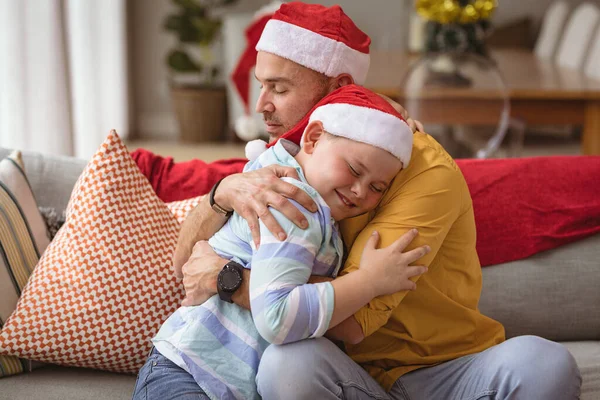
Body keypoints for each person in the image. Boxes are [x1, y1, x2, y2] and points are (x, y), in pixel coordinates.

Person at [165, 2, 581, 399]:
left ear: (339, 90)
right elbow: (182, 268)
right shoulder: (285, 161)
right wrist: (221, 194)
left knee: (545, 363)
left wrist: (229, 279)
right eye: (262, 86)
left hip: (443, 371)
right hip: (348, 376)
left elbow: (353, 321)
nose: (261, 105)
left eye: (280, 88)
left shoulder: (420, 168)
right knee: (287, 364)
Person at [133, 85, 429, 400]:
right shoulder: (296, 205)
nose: (360, 191)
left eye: (377, 187)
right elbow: (276, 317)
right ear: (313, 139)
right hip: (191, 376)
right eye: (355, 170)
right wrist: (369, 281)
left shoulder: (302, 198)